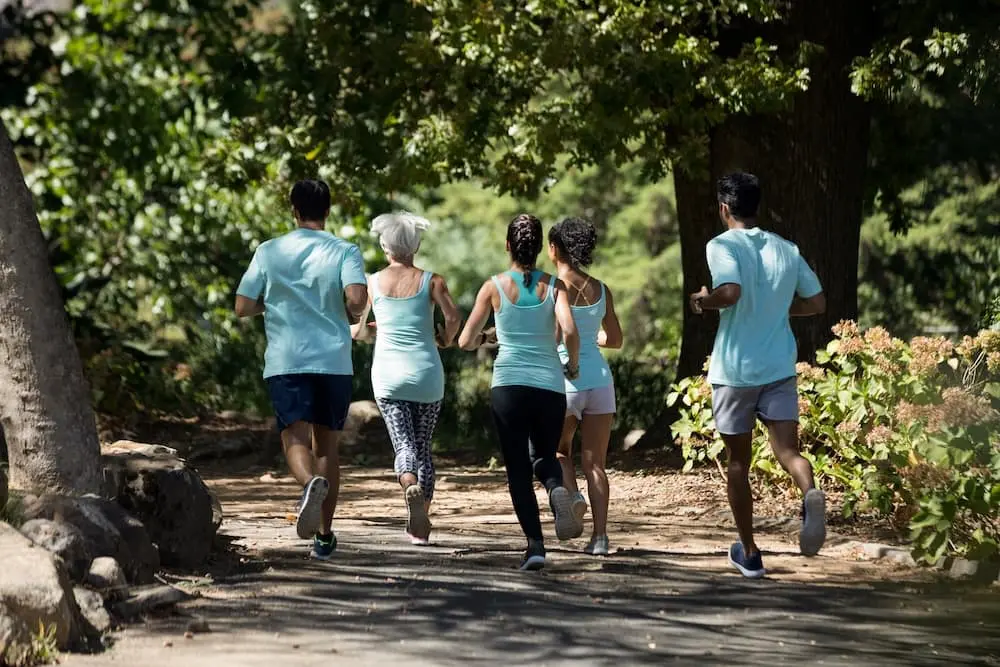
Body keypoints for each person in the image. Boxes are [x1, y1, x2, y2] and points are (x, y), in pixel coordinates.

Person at [689, 172, 828, 579]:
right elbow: (817, 302)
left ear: (724, 209)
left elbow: (730, 293)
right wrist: (781, 310)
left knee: (738, 463)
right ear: (757, 206)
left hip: (736, 372)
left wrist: (703, 302)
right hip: (779, 367)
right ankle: (809, 492)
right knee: (788, 452)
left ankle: (749, 552)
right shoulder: (787, 248)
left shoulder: (722, 244)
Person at [235, 180, 368, 561]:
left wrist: (272, 306)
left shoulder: (269, 250)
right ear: (327, 211)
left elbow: (242, 305)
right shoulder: (345, 250)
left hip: (287, 360)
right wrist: (346, 311)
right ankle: (324, 537)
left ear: (293, 210)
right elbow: (357, 302)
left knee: (294, 437)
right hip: (333, 360)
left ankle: (309, 484)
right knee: (326, 444)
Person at [458, 213, 583, 571]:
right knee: (544, 456)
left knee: (516, 469)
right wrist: (572, 366)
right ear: (540, 248)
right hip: (548, 386)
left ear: (508, 245)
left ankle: (535, 546)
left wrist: (488, 336)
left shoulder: (493, 287)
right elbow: (570, 331)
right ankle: (556, 488)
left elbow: (466, 340)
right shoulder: (555, 286)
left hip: (509, 387)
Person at [351, 212, 461, 545]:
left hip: (388, 376)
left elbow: (357, 331)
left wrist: (370, 332)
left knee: (404, 443)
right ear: (416, 245)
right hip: (427, 373)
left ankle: (408, 484)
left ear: (385, 246)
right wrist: (445, 338)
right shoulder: (433, 281)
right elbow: (454, 317)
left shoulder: (372, 282)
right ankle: (419, 523)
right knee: (424, 446)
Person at [547, 217, 623, 556]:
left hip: (566, 379)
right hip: (601, 382)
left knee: (559, 450)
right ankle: (601, 538)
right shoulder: (601, 288)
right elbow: (616, 339)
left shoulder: (552, 287)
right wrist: (594, 338)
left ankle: (574, 496)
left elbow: (554, 336)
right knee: (596, 464)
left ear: (555, 249)